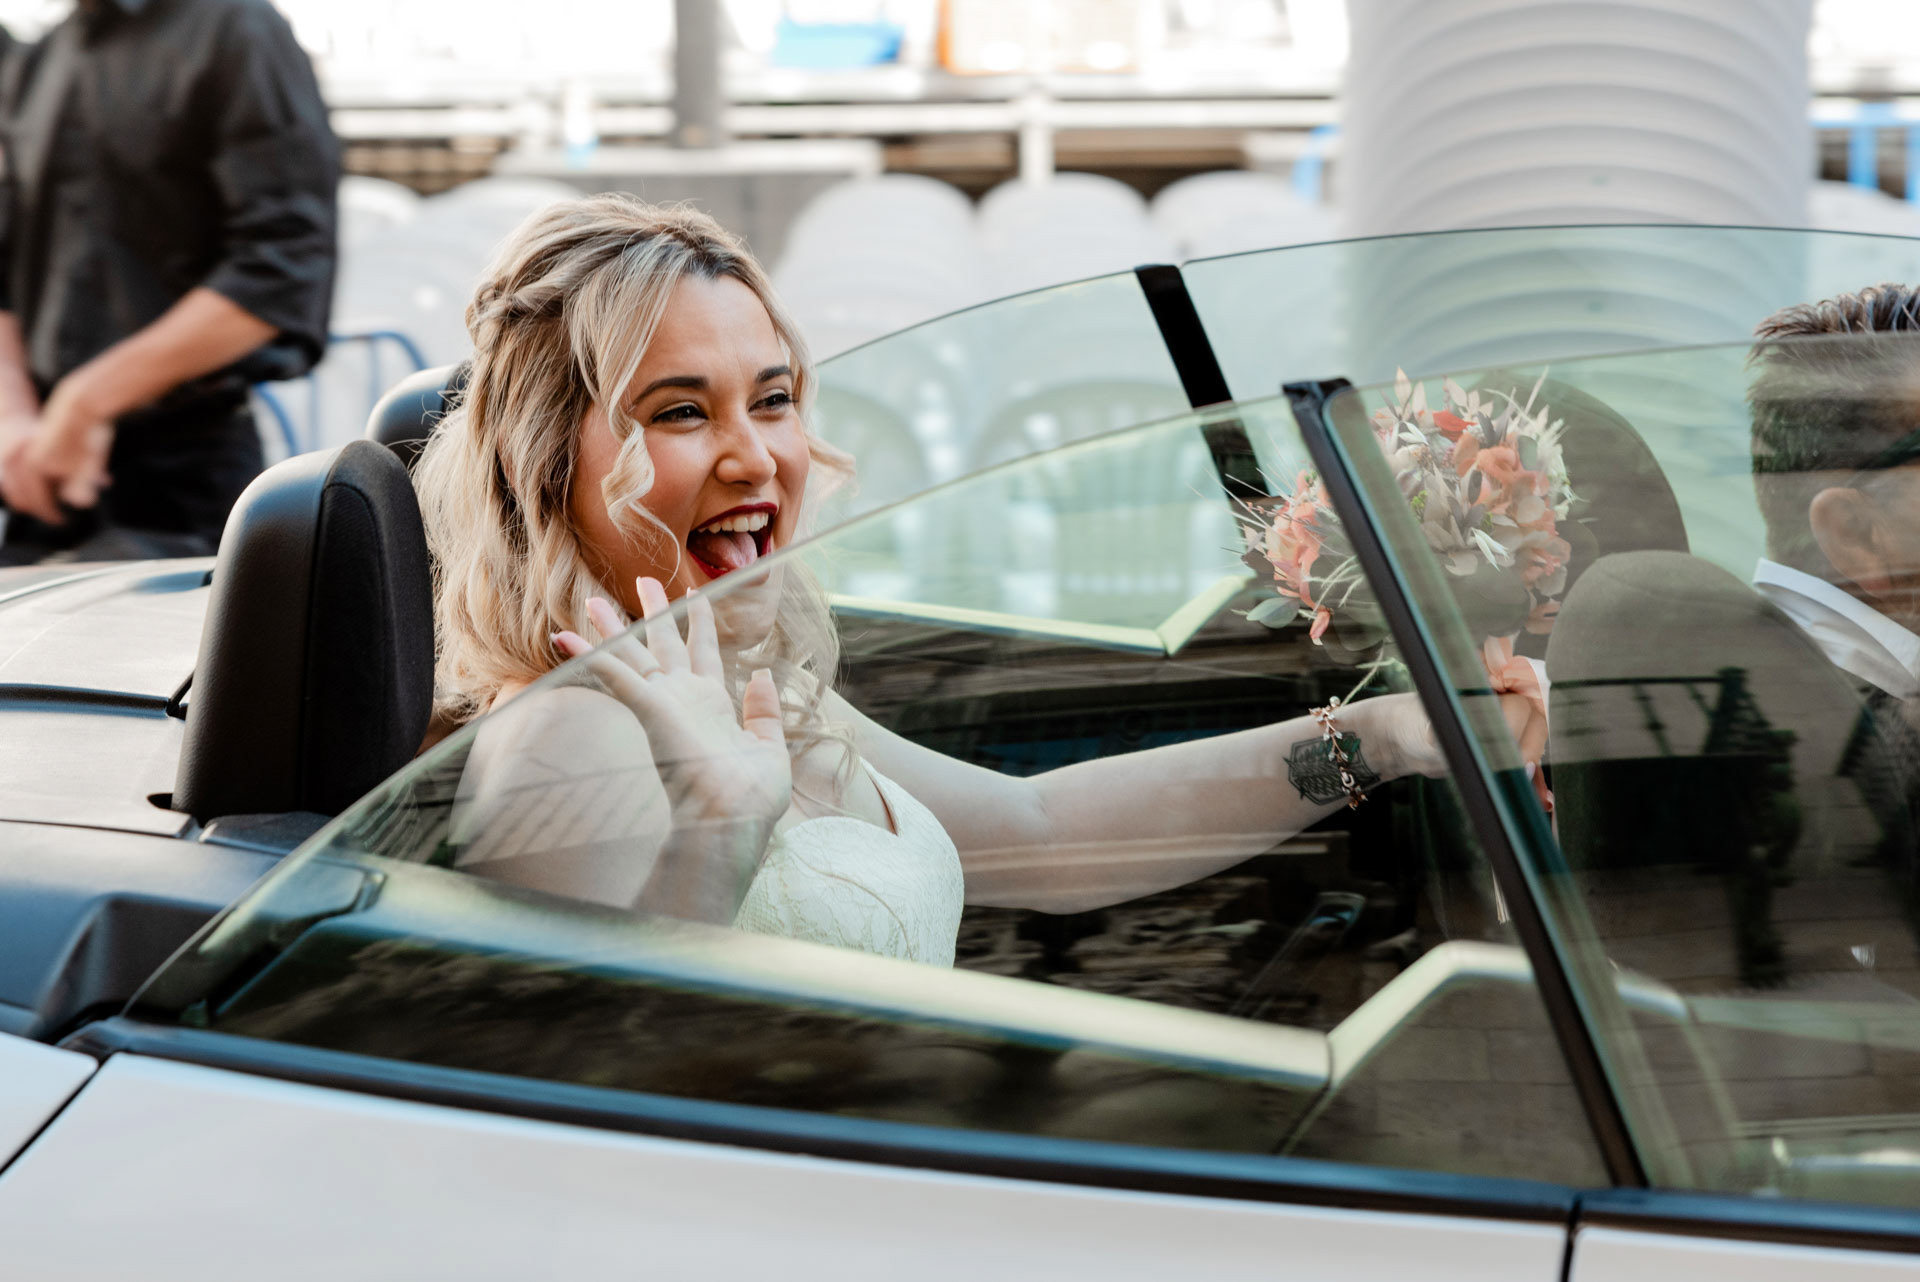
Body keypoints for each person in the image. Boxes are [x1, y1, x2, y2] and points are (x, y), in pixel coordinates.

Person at [414, 195, 1539, 966]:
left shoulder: (754, 691)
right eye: (679, 412)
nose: (755, 454)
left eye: (772, 399)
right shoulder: (570, 738)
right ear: (551, 463)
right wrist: (720, 831)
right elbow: (583, 1117)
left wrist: (1383, 738)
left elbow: (1047, 833)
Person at [0, 0, 339, 563]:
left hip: (185, 485)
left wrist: (87, 403)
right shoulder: (43, 59)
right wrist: (15, 421)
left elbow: (282, 265)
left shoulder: (238, 30)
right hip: (45, 473)